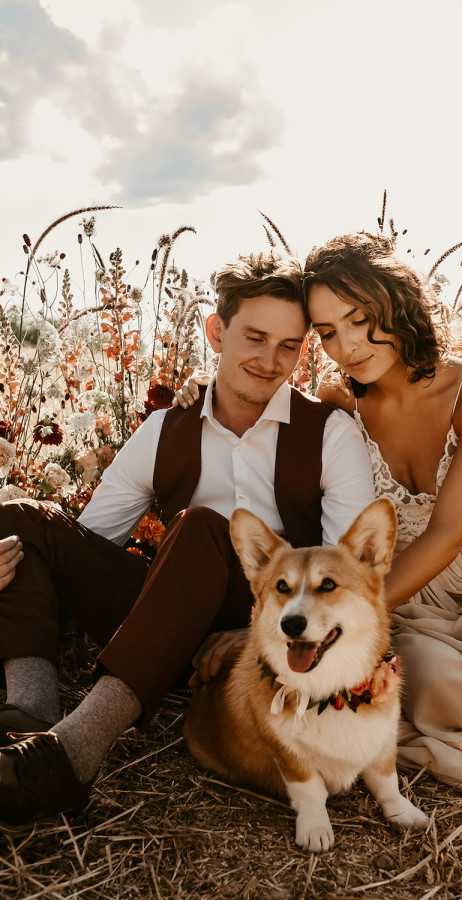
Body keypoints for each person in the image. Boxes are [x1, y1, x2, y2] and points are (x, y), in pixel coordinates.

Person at [177, 231, 462, 814]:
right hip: (399, 592)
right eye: (327, 332)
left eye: (359, 319)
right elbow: (260, 405)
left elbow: (449, 534)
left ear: (397, 302)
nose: (347, 345)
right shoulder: (339, 401)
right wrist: (202, 393)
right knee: (427, 677)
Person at [0, 250, 375, 824]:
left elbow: (345, 576)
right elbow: (89, 540)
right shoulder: (165, 429)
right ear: (216, 331)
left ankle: (70, 755)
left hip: (272, 638)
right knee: (24, 522)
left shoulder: (330, 433)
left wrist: (252, 635)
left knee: (202, 526)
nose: (269, 359)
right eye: (253, 337)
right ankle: (25, 721)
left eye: (288, 346)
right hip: (166, 618)